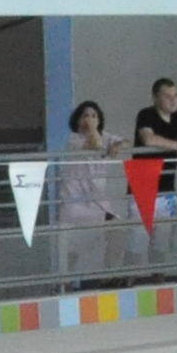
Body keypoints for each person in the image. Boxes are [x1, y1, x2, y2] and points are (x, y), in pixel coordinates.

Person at [46, 96, 129, 274]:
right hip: (74, 205)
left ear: (100, 120)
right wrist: (94, 130)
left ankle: (111, 274)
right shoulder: (73, 140)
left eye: (94, 116)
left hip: (97, 204)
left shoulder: (105, 136)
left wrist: (118, 144)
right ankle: (63, 285)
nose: (90, 119)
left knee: (119, 229)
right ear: (77, 120)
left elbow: (126, 141)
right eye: (85, 115)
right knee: (71, 252)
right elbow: (95, 144)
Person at [128, 77, 177, 218]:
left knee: (165, 238)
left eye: (176, 95)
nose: (173, 100)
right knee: (139, 238)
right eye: (167, 96)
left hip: (167, 188)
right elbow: (148, 139)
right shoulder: (146, 114)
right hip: (142, 187)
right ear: (155, 98)